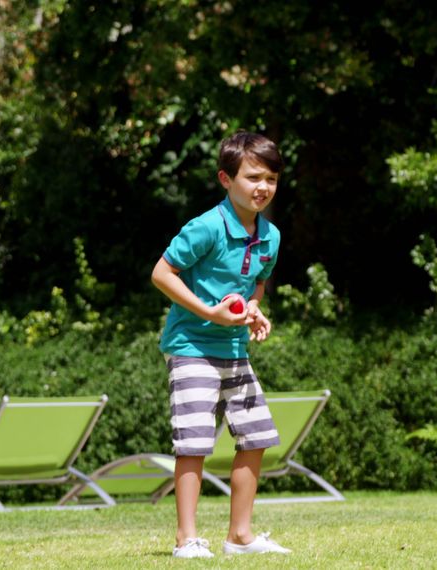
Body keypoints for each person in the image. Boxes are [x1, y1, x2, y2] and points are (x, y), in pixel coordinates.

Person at [150, 131, 292, 558]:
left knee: (257, 436)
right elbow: (162, 273)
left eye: (270, 178)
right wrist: (209, 312)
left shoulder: (271, 236)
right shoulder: (206, 227)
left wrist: (253, 308)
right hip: (191, 345)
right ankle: (186, 540)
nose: (262, 187)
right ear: (226, 179)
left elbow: (257, 282)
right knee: (194, 442)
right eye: (252, 177)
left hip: (233, 350)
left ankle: (240, 537)